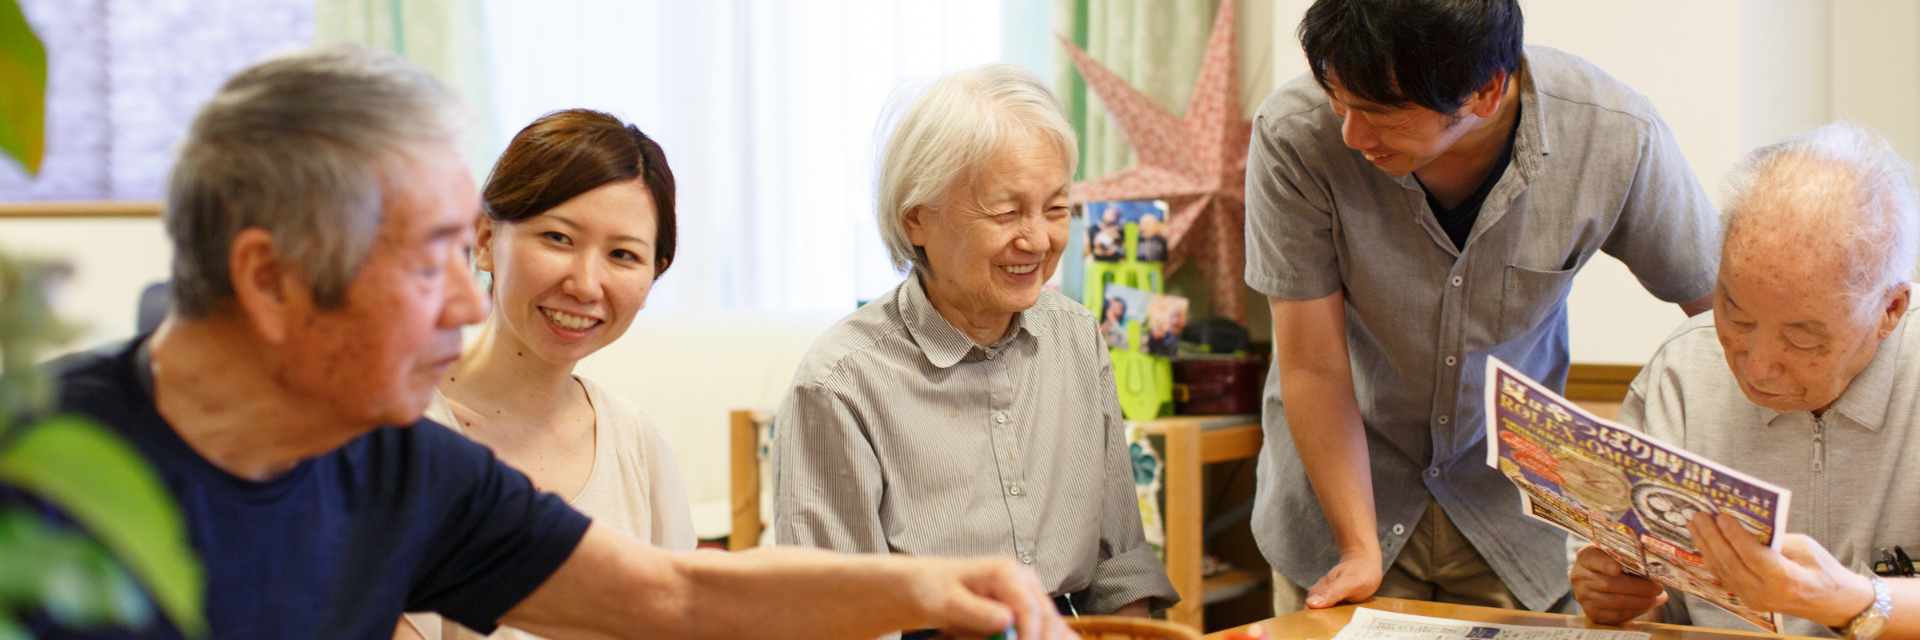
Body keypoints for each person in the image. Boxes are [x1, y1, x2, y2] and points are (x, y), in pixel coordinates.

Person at [13, 46, 1076, 640]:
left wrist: (931, 588)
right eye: (428, 263)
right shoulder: (43, 460)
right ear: (269, 276)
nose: (468, 305)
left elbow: (674, 592)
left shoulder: (405, 467)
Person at [1244, 0, 1721, 614]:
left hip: (1512, 513)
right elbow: (1311, 363)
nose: (1352, 134)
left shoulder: (1612, 133)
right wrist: (1358, 548)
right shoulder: (1295, 135)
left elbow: (1722, 321)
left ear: (1486, 91)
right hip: (1340, 503)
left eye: (1380, 112)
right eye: (1337, 97)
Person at [771, 64, 1179, 637]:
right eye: (1006, 211)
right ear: (917, 219)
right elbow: (830, 612)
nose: (1037, 240)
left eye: (1056, 209)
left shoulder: (1077, 337)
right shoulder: (841, 382)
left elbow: (1117, 564)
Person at [1569, 122, 1920, 640]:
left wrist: (1855, 602)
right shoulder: (1681, 375)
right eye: (1735, 314)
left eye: (1802, 339)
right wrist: (1620, 603)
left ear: (1889, 309)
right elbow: (1651, 608)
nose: (1756, 366)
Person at [397, 109, 699, 640]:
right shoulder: (399, 440)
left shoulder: (635, 442)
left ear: (654, 275)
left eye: (623, 255)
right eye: (558, 238)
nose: (586, 284)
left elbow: (685, 620)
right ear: (486, 239)